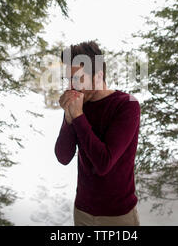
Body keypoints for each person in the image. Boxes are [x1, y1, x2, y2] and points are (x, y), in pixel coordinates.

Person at [54, 40, 141, 226]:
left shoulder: (127, 105)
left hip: (118, 215)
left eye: (78, 78)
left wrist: (77, 116)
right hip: (82, 210)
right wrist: (68, 119)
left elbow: (103, 163)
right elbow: (63, 156)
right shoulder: (80, 103)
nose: (71, 86)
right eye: (69, 79)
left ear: (99, 75)